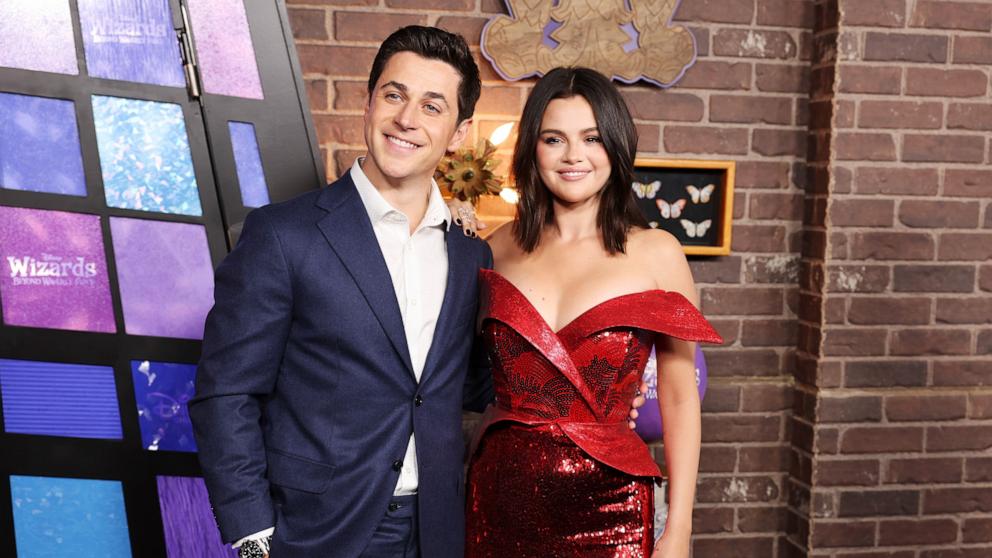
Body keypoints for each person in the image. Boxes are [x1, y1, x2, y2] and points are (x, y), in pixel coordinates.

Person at [189, 26, 492, 558]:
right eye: (394, 95)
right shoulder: (284, 235)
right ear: (368, 101)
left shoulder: (471, 254)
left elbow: (467, 387)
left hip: (439, 529)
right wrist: (253, 533)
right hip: (316, 531)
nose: (407, 119)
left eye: (432, 106)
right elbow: (226, 391)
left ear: (460, 132)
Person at [459, 67, 723, 557]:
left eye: (592, 138)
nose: (573, 155)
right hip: (497, 498)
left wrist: (680, 526)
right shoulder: (491, 250)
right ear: (531, 150)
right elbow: (457, 374)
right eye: (554, 138)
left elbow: (680, 396)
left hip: (613, 506)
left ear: (616, 148)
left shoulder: (658, 253)